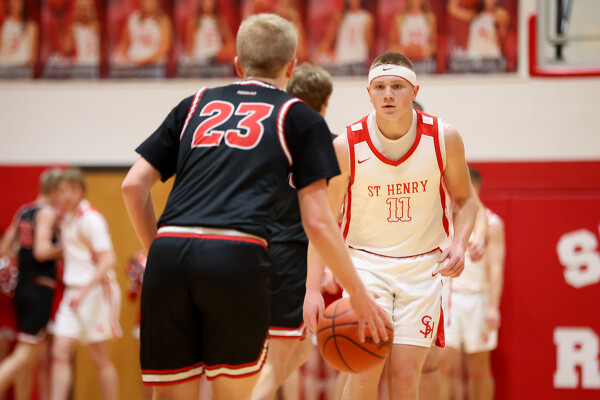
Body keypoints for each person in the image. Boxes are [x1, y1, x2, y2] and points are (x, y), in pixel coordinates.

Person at [121, 13, 389, 400]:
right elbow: (318, 222)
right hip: (235, 252)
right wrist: (358, 293)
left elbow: (132, 186)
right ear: (291, 67)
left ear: (238, 64)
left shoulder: (193, 103)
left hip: (168, 250)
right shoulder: (299, 117)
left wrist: (159, 251)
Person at [303, 52, 479, 400]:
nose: (388, 95)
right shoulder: (345, 146)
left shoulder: (444, 137)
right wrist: (311, 289)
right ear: (368, 93)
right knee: (364, 370)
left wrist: (459, 244)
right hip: (366, 267)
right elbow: (325, 222)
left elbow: (466, 200)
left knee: (406, 376)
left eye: (397, 86)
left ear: (415, 90)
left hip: (423, 269)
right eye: (380, 87)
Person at [250, 62, 334, 400]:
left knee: (298, 351)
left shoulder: (265, 140)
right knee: (278, 358)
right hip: (292, 255)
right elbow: (329, 216)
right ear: (326, 102)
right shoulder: (329, 145)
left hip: (256, 251)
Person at [50, 168, 121, 400]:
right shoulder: (66, 218)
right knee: (59, 352)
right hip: (73, 293)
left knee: (100, 358)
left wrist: (84, 290)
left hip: (96, 291)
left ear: (81, 191)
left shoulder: (91, 219)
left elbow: (108, 260)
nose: (65, 195)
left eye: (70, 190)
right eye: (62, 190)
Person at [0, 168, 63, 400]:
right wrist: (67, 248)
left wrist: (23, 259)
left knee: (29, 355)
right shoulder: (47, 212)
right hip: (39, 288)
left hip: (23, 286)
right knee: (25, 355)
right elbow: (42, 250)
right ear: (54, 190)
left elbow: (5, 249)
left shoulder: (24, 211)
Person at [444, 168, 505, 400]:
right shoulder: (446, 217)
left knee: (479, 368)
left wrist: (493, 307)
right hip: (449, 297)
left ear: (475, 187)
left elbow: (496, 269)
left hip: (477, 299)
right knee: (443, 366)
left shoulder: (492, 223)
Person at [111, 0, 172, 77]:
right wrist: (118, 56)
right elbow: (124, 43)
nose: (148, 3)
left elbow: (163, 50)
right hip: (133, 65)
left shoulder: (164, 21)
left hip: (154, 67)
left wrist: (141, 62)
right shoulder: (133, 18)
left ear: (157, 3)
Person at [314, 0, 374, 76]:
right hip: (342, 60)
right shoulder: (340, 17)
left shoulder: (367, 17)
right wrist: (319, 51)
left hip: (359, 60)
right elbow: (329, 38)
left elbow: (369, 41)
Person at [178, 0, 235, 77]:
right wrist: (190, 64)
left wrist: (225, 52)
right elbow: (189, 47)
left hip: (215, 59)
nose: (208, 3)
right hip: (200, 60)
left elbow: (230, 42)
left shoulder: (220, 21)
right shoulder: (193, 22)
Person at [388, 0, 437, 74]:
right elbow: (393, 44)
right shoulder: (399, 17)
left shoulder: (430, 18)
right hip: (404, 61)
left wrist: (421, 52)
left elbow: (433, 45)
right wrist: (406, 51)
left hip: (424, 61)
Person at [0, 0, 38, 78]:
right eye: (12, 1)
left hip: (22, 69)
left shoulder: (31, 27)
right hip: (3, 68)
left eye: (18, 1)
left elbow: (32, 58)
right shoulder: (4, 26)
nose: (15, 4)